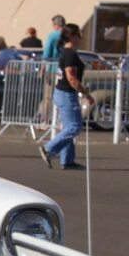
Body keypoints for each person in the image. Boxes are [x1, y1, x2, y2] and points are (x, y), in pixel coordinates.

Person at [39, 23, 94, 170]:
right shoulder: (69, 54)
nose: (80, 38)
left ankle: (67, 160)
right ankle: (49, 148)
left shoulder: (67, 53)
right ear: (71, 37)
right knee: (74, 127)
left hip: (62, 93)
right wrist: (86, 93)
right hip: (66, 93)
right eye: (78, 35)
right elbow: (71, 78)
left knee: (68, 127)